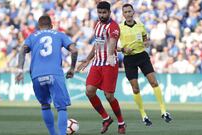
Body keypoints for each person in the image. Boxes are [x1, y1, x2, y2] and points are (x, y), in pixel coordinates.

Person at [15, 15, 78, 135]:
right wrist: (72, 68)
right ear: (52, 25)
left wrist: (19, 70)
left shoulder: (32, 36)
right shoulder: (59, 34)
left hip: (37, 75)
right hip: (55, 73)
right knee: (61, 107)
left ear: (39, 26)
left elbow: (22, 50)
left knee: (45, 105)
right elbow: (74, 50)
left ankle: (53, 133)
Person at [118, 3, 172, 126]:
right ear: (123, 14)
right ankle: (144, 115)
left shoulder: (141, 26)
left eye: (129, 11)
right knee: (135, 88)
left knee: (154, 82)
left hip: (142, 56)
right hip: (129, 59)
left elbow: (145, 38)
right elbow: (113, 46)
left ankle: (164, 111)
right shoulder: (119, 28)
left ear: (133, 12)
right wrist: (123, 50)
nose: (127, 14)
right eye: (125, 12)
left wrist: (146, 42)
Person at [77, 1, 126, 134]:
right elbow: (98, 44)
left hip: (109, 64)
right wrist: (88, 59)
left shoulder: (113, 26)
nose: (102, 15)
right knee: (89, 91)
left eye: (104, 12)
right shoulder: (97, 24)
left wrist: (110, 54)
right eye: (99, 12)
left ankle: (121, 122)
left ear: (109, 12)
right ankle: (106, 118)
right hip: (97, 63)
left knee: (109, 96)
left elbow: (112, 42)